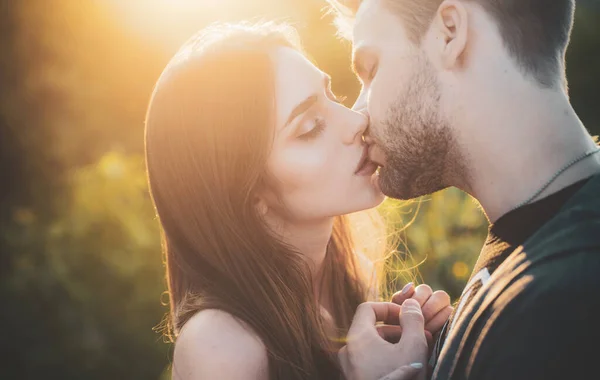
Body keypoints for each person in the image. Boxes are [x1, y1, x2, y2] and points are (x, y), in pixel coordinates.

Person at [145, 22, 452, 380]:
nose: (356, 120)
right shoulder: (220, 345)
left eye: (333, 96)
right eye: (310, 128)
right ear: (250, 196)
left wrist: (424, 347)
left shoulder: (339, 294)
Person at [327, 0, 600, 378]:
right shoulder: (530, 249)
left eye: (371, 70)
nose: (359, 114)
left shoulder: (563, 303)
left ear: (450, 32)